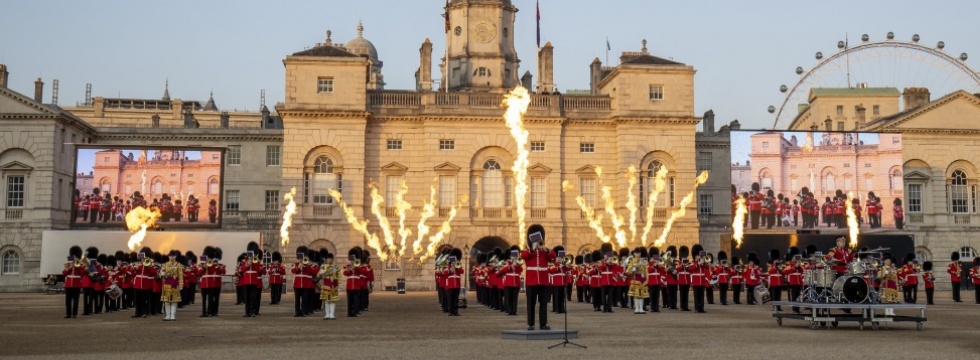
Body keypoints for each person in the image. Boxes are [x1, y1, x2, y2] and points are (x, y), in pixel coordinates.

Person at [521, 225, 553, 329]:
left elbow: (553, 257)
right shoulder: (527, 251)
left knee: (543, 303)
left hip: (543, 280)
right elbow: (523, 256)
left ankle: (543, 323)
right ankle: (531, 324)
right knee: (531, 303)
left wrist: (545, 249)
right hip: (531, 281)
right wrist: (532, 249)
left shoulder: (545, 251)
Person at [131, 250, 157, 318]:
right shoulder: (138, 265)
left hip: (145, 285)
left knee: (143, 300)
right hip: (137, 284)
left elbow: (154, 273)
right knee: (137, 300)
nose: (142, 260)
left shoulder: (149, 265)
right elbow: (132, 274)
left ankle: (143, 313)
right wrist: (135, 268)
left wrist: (149, 266)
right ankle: (137, 313)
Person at [291, 247, 316, 317]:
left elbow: (313, 273)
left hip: (305, 285)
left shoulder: (308, 265)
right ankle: (297, 312)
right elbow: (293, 271)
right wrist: (298, 267)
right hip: (297, 285)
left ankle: (303, 312)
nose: (301, 259)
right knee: (297, 300)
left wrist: (306, 266)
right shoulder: (295, 264)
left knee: (304, 300)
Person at [160, 250, 184, 321]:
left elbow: (180, 275)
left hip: (174, 284)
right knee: (166, 301)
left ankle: (173, 315)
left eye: (173, 256)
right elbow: (161, 275)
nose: (172, 257)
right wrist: (162, 274)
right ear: (169, 257)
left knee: (174, 301)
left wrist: (181, 284)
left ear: (175, 257)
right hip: (167, 284)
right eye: (170, 256)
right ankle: (167, 315)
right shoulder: (165, 265)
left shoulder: (178, 265)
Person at [63, 246, 85, 318]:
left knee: (76, 300)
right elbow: (64, 273)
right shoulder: (68, 264)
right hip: (68, 284)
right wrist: (68, 268)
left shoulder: (80, 264)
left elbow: (82, 273)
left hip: (76, 284)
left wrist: (78, 266)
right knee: (68, 300)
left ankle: (74, 314)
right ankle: (68, 313)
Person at [317, 252, 340, 319]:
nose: (330, 260)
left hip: (333, 286)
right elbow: (318, 276)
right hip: (326, 285)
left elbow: (339, 277)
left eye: (331, 259)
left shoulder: (336, 267)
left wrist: (339, 286)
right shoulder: (323, 266)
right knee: (327, 301)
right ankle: (327, 314)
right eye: (328, 259)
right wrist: (321, 272)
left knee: (333, 301)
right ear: (326, 259)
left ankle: (332, 314)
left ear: (332, 260)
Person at [343, 247, 365, 317]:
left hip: (356, 285)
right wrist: (349, 270)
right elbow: (345, 273)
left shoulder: (359, 266)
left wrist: (357, 268)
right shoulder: (348, 266)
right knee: (349, 300)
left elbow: (362, 272)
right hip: (349, 286)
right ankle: (349, 312)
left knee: (356, 300)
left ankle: (355, 312)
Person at [626, 247, 649, 314]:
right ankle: (637, 308)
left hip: (642, 279)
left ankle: (641, 308)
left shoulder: (644, 261)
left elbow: (646, 271)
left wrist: (647, 279)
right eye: (636, 253)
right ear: (634, 254)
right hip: (635, 279)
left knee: (642, 295)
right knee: (636, 295)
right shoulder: (631, 261)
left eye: (639, 253)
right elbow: (628, 271)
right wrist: (633, 269)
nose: (638, 254)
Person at [444, 249, 465, 317]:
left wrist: (458, 267)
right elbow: (444, 273)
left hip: (457, 285)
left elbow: (462, 271)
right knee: (450, 299)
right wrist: (450, 270)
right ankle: (450, 311)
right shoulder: (447, 265)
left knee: (456, 299)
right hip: (450, 285)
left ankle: (455, 311)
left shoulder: (458, 264)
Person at [548, 246, 568, 315]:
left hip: (563, 282)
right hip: (556, 282)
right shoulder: (553, 264)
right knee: (557, 296)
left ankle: (562, 308)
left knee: (562, 296)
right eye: (558, 258)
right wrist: (559, 267)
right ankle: (556, 309)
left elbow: (567, 270)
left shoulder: (563, 264)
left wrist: (565, 265)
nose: (559, 259)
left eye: (560, 257)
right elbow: (551, 270)